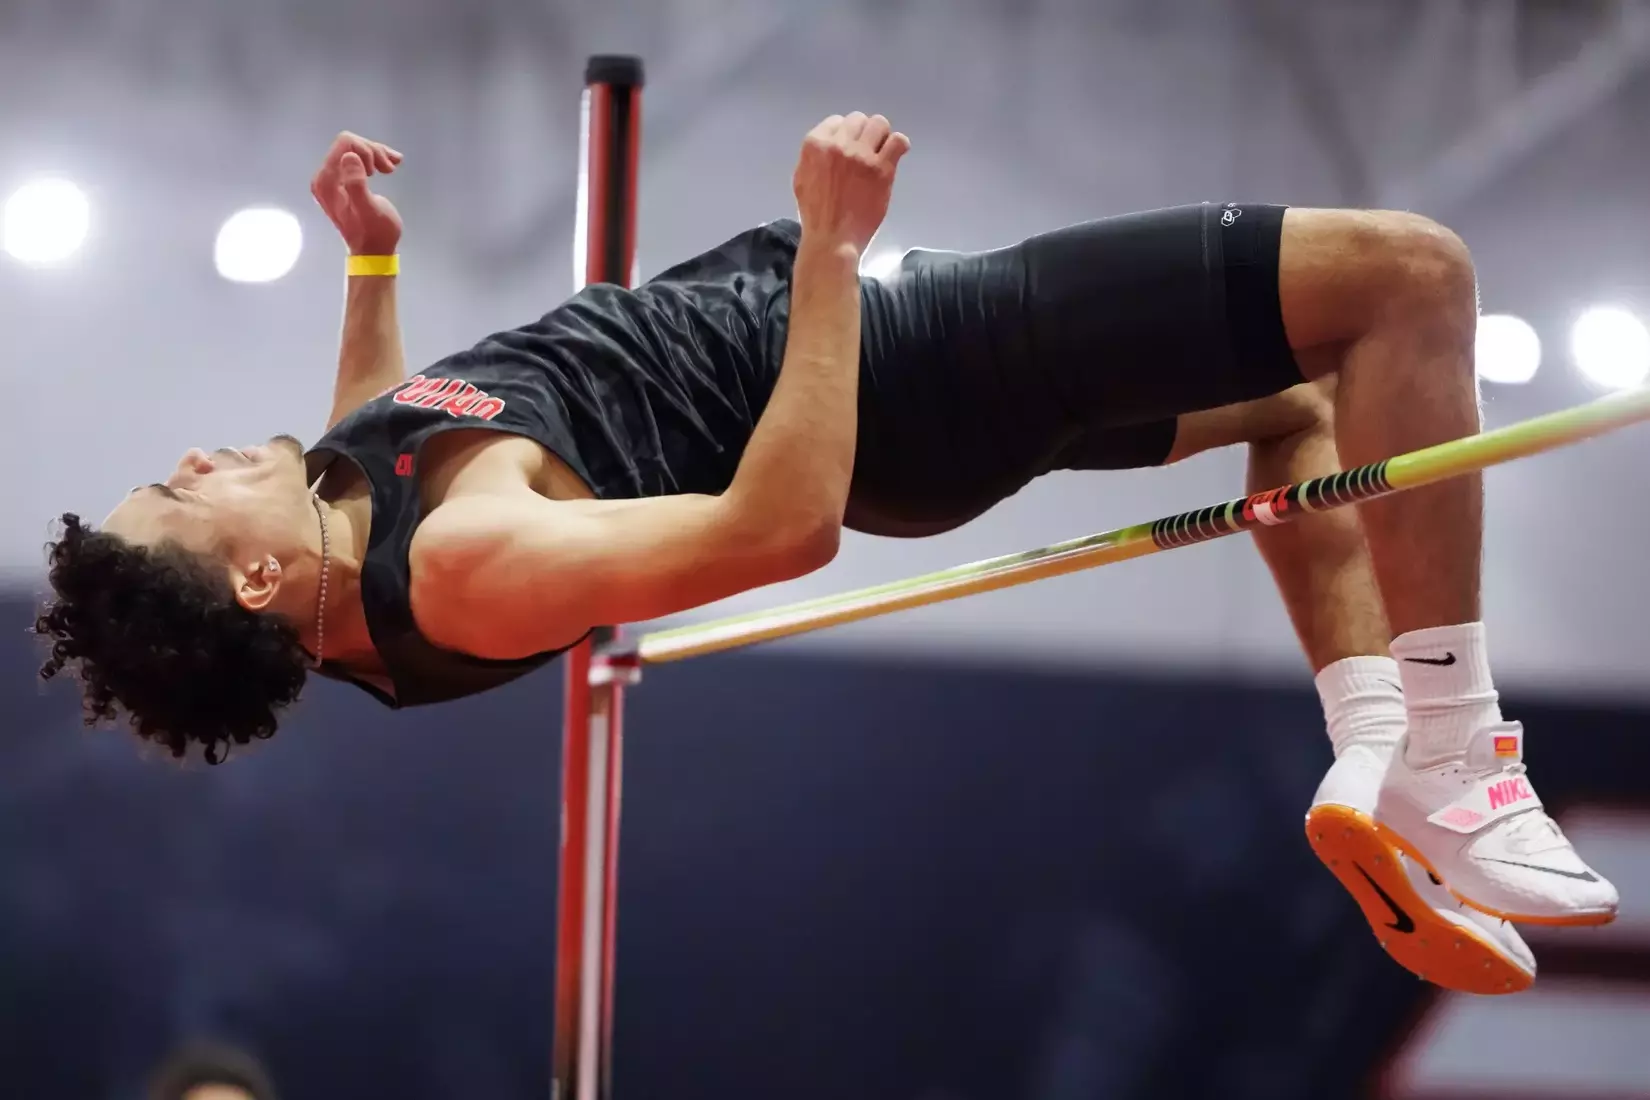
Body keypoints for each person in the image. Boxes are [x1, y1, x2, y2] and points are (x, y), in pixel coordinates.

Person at [36, 120, 1613, 993]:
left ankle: (1368, 750)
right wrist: (837, 256)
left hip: (902, 381)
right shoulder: (470, 567)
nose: (182, 462)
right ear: (249, 581)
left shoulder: (354, 569)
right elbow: (774, 532)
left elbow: (359, 443)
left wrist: (372, 266)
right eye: (172, 499)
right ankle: (1460, 752)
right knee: (1412, 277)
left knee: (1317, 404)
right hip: (915, 358)